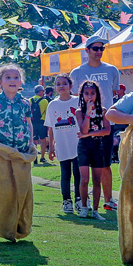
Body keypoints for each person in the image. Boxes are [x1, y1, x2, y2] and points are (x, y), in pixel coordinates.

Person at [70, 35, 121, 211]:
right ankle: (82, 202)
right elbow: (74, 99)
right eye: (95, 48)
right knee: (82, 167)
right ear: (87, 50)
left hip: (106, 121)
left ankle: (108, 200)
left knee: (106, 164)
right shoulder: (76, 73)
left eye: (102, 48)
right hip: (84, 122)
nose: (99, 51)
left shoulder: (112, 70)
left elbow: (114, 94)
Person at [45, 73, 82, 214]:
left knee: (79, 173)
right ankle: (67, 201)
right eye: (58, 84)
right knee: (65, 173)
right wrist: (51, 147)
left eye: (64, 84)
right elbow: (51, 128)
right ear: (55, 87)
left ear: (70, 86)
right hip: (62, 144)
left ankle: (80, 199)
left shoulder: (78, 101)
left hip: (78, 144)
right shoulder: (52, 105)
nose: (61, 86)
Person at [74, 80, 110, 220]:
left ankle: (95, 210)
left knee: (97, 180)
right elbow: (82, 128)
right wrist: (88, 112)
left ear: (97, 94)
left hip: (97, 146)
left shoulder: (103, 110)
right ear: (82, 95)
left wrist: (89, 134)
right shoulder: (79, 111)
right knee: (84, 179)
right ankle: (84, 207)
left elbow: (106, 131)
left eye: (92, 93)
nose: (89, 96)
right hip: (84, 146)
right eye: (86, 93)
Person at [29, 85, 49, 165]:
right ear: (40, 91)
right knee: (43, 140)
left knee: (34, 141)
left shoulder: (30, 100)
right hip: (42, 123)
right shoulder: (44, 101)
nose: (44, 92)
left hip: (33, 123)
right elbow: (47, 113)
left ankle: (35, 157)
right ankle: (42, 157)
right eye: (43, 91)